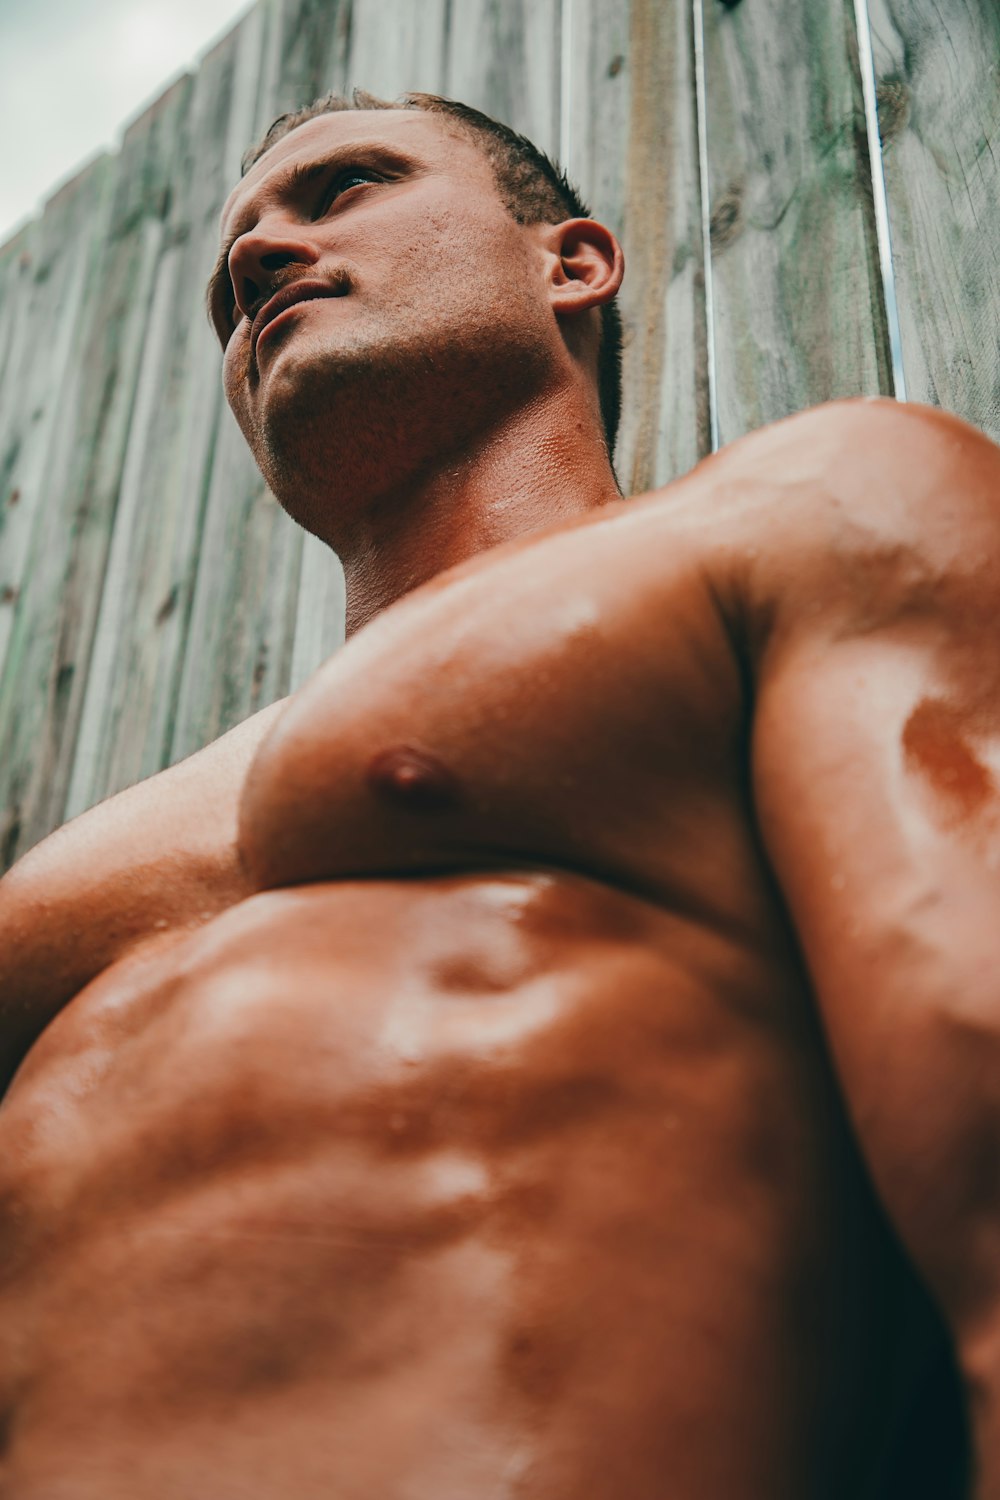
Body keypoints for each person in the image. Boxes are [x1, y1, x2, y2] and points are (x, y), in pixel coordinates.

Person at [0, 87, 994, 1497]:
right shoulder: (73, 870)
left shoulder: (809, 512)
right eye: (232, 278)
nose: (259, 263)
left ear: (571, 263)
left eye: (342, 190)